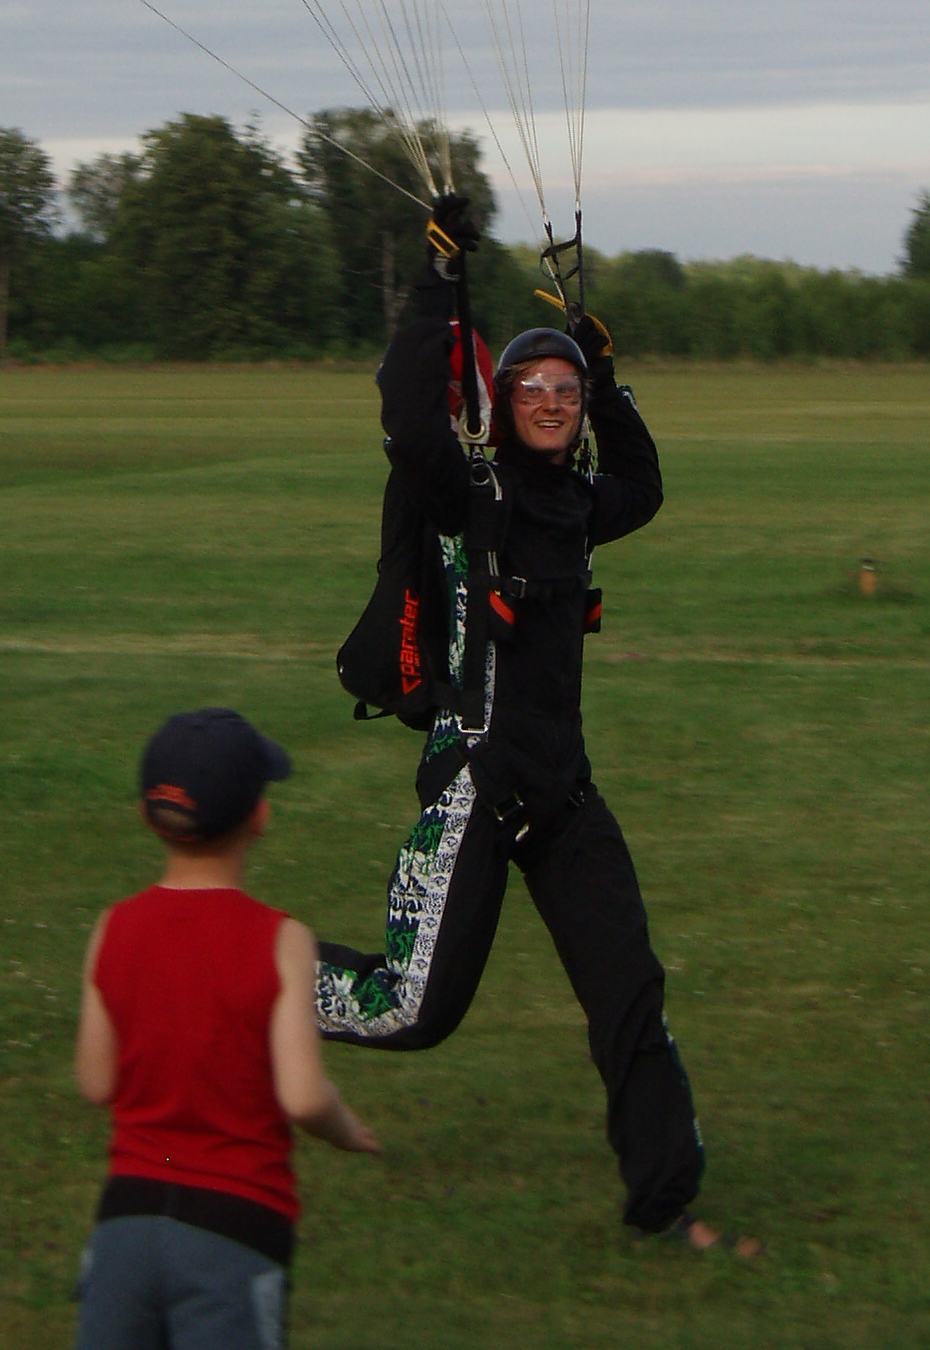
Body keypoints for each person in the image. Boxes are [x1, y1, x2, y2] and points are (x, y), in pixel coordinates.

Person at [314, 203, 755, 1254]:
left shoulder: (579, 502)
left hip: (563, 793)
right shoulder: (473, 493)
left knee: (630, 995)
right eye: (535, 389)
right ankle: (256, 976)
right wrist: (435, 280)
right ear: (503, 403)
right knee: (409, 1009)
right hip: (474, 780)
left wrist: (615, 381)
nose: (553, 404)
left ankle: (664, 1203)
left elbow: (644, 484)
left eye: (569, 391)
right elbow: (407, 418)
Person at [73, 706, 381, 1350]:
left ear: (145, 815)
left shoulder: (114, 927)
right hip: (236, 1228)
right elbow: (302, 1096)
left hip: (125, 1222)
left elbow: (96, 1080)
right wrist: (347, 1130)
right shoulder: (280, 941)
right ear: (259, 818)